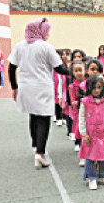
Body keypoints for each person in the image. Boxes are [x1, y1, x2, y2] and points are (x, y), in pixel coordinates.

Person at [8, 18, 70, 169]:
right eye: (46, 32)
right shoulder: (46, 47)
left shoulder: (20, 46)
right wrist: (72, 71)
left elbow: (11, 68)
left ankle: (36, 145)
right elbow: (59, 68)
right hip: (42, 86)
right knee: (43, 119)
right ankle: (40, 153)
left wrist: (14, 87)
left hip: (25, 86)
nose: (47, 34)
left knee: (33, 116)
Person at [79, 75, 104, 190]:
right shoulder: (85, 102)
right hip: (90, 135)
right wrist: (84, 133)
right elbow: (81, 117)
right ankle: (92, 177)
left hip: (103, 134)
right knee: (90, 157)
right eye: (94, 87)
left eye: (99, 87)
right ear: (90, 88)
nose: (97, 90)